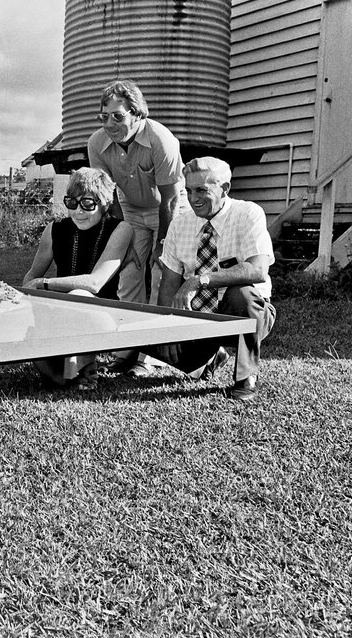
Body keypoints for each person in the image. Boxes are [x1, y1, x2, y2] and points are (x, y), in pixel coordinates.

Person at [148, 156, 277, 401]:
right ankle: (210, 357)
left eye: (201, 190)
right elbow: (169, 283)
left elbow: (257, 270)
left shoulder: (249, 213)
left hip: (242, 311)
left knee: (242, 295)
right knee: (149, 338)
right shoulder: (178, 225)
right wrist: (168, 330)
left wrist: (199, 280)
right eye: (188, 191)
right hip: (197, 314)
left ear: (225, 189)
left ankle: (245, 378)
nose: (193, 199)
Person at [87, 79, 186, 376]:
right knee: (128, 274)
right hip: (130, 209)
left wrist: (162, 245)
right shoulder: (97, 143)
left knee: (160, 276)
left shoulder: (161, 139)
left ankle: (149, 358)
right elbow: (108, 195)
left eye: (118, 116)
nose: (110, 124)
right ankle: (127, 351)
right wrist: (123, 237)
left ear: (137, 113)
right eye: (104, 117)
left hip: (167, 211)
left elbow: (170, 198)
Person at [22, 167, 133, 386]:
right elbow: (32, 275)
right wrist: (27, 299)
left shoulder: (121, 229)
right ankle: (67, 370)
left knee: (79, 294)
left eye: (88, 204)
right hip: (59, 313)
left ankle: (80, 365)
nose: (78, 212)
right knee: (57, 379)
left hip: (102, 316)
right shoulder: (54, 229)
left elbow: (95, 283)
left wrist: (44, 284)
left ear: (104, 203)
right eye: (72, 203)